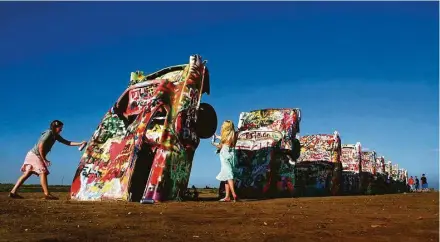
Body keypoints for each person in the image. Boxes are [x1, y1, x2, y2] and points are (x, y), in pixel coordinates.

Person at [9, 120, 86, 200]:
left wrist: (80, 143)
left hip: (32, 154)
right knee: (43, 172)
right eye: (60, 128)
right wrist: (44, 159)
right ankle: (47, 194)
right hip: (36, 155)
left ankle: (13, 192)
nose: (61, 130)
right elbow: (40, 146)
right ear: (55, 127)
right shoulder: (49, 133)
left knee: (27, 173)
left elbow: (67, 142)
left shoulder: (55, 136)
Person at [211, 120, 238, 202]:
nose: (222, 125)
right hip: (233, 155)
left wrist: (213, 143)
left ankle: (233, 194)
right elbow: (224, 140)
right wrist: (217, 137)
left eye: (223, 124)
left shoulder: (224, 136)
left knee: (228, 175)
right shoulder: (234, 134)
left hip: (224, 154)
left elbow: (221, 146)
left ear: (226, 126)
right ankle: (227, 196)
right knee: (227, 175)